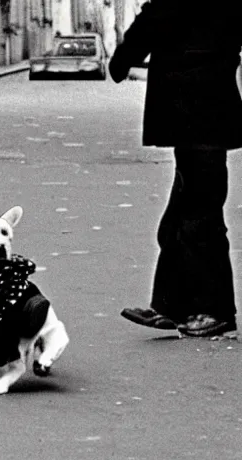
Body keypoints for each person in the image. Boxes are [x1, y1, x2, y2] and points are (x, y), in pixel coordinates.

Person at [109, 0, 242, 337]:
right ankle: (171, 305)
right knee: (184, 213)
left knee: (199, 215)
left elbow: (161, 15)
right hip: (204, 105)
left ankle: (215, 310)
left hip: (196, 104)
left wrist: (123, 59)